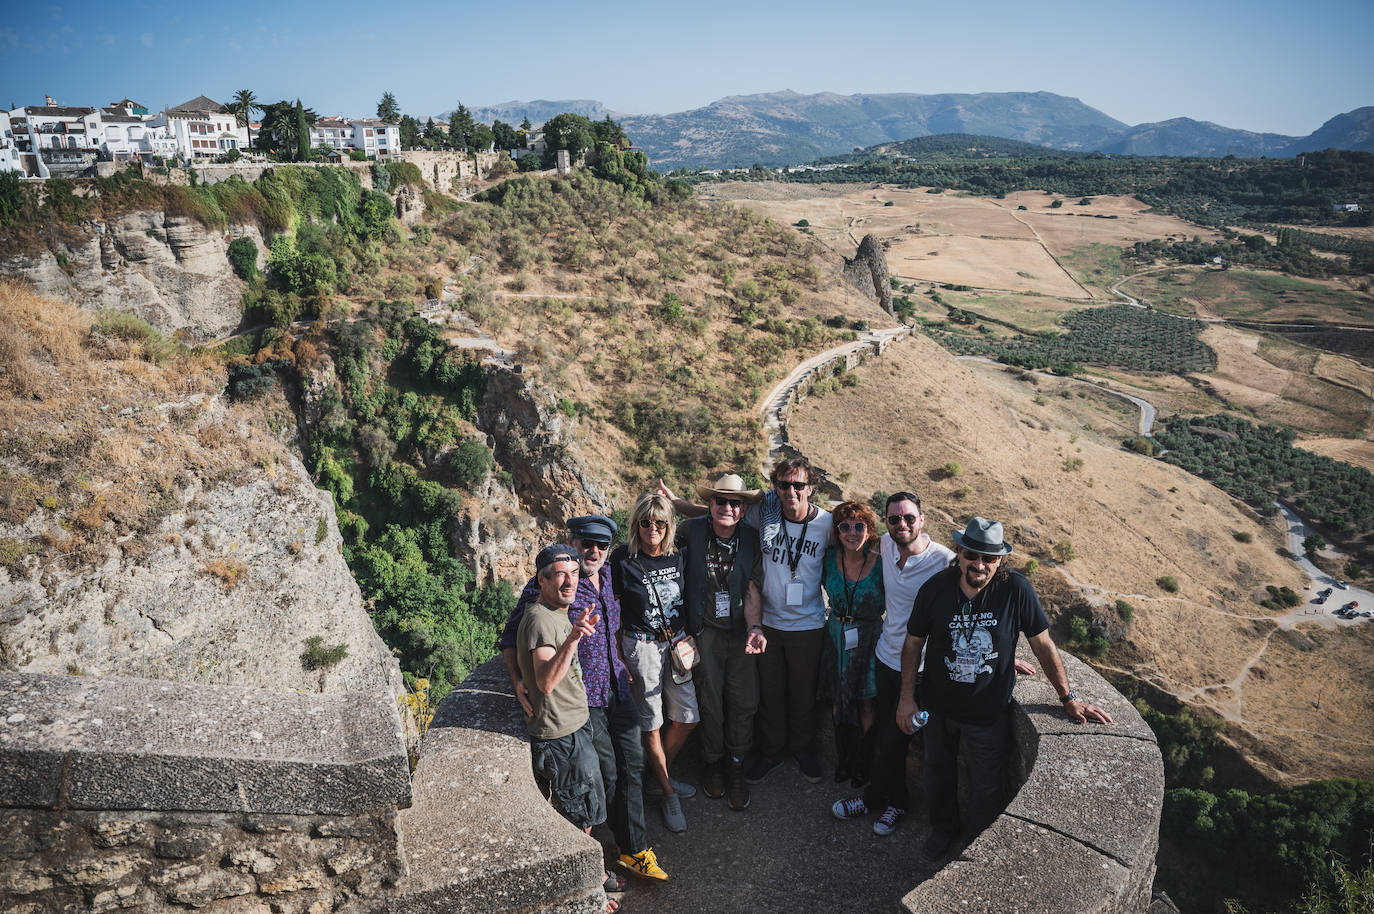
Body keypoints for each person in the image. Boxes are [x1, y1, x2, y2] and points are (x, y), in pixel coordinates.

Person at [898, 517, 1113, 860]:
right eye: (972, 555)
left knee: (987, 787)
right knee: (937, 773)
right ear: (959, 552)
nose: (979, 564)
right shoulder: (935, 588)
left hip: (987, 711)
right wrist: (906, 698)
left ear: (999, 560)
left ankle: (977, 844)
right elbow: (912, 644)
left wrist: (1067, 697)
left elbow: (1042, 644)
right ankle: (943, 829)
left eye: (988, 558)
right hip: (936, 706)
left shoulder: (1015, 589)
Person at [497, 515, 666, 882]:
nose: (593, 551)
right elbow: (511, 636)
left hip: (617, 687)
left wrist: (619, 660)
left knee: (633, 766)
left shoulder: (607, 578)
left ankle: (633, 849)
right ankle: (605, 853)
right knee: (606, 775)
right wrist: (517, 681)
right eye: (586, 543)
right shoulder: (547, 586)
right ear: (573, 543)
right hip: (583, 701)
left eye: (601, 545)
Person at [830, 492, 954, 836]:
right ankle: (886, 799)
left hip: (923, 667)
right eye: (894, 519)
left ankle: (886, 802)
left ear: (922, 520)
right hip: (886, 658)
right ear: (885, 523)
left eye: (909, 518)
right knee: (889, 734)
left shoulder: (944, 560)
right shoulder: (884, 545)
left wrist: (1003, 649)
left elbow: (978, 591)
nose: (902, 525)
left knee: (902, 736)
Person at [515, 544, 621, 913]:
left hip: (573, 728)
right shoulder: (542, 620)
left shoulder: (552, 613)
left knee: (587, 807)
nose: (569, 581)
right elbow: (545, 682)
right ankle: (587, 896)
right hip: (562, 737)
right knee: (579, 820)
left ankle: (595, 874)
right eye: (559, 574)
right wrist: (574, 639)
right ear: (541, 580)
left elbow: (513, 652)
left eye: (573, 573)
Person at [610, 493, 699, 834]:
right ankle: (668, 792)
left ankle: (656, 775)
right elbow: (613, 608)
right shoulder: (622, 559)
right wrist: (616, 651)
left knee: (688, 716)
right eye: (646, 522)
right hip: (641, 647)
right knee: (651, 721)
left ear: (668, 526)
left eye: (660, 523)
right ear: (636, 524)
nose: (653, 530)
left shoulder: (678, 555)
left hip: (676, 644)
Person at [676, 473, 765, 811]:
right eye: (721, 501)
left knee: (743, 701)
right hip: (705, 632)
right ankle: (713, 762)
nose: (728, 507)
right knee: (709, 700)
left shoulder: (752, 539)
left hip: (740, 632)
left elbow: (752, 588)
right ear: (709, 505)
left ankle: (737, 765)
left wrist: (755, 627)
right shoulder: (691, 532)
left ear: (743, 509)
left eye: (736, 502)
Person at [744, 455, 833, 784]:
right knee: (771, 692)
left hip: (808, 625)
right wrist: (677, 505)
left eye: (798, 485)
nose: (790, 491)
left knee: (803, 694)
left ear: (811, 488)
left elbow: (861, 544)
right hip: (768, 623)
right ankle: (771, 752)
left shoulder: (827, 524)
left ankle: (803, 750)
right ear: (775, 487)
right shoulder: (763, 515)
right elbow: (723, 515)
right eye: (783, 485)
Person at [818, 501, 884, 788]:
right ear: (838, 532)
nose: (852, 532)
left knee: (868, 703)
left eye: (860, 526)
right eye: (845, 526)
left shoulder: (883, 562)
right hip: (836, 635)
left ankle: (864, 764)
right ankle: (844, 761)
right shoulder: (828, 557)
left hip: (869, 636)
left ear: (869, 530)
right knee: (838, 701)